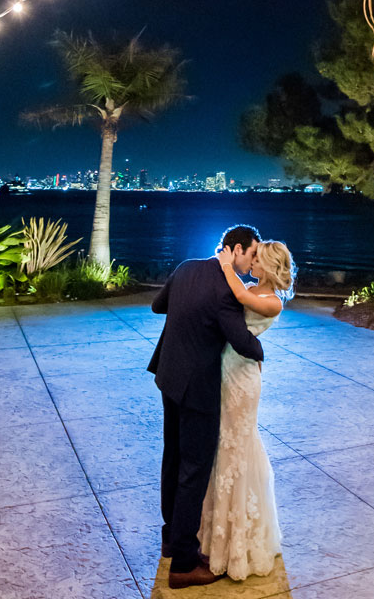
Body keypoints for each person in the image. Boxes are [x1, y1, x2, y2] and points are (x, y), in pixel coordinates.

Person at [147, 224, 265, 590]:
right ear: (235, 249)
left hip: (168, 375)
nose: (253, 260)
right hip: (197, 387)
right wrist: (262, 353)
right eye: (252, 253)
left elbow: (157, 306)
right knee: (193, 471)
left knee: (174, 457)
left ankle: (170, 537)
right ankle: (183, 562)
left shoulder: (185, 268)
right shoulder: (225, 291)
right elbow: (241, 340)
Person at [199, 240, 296, 581]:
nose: (251, 262)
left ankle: (239, 541)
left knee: (237, 445)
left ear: (266, 266)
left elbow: (241, 300)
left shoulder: (272, 302)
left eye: (257, 259)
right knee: (222, 443)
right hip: (228, 368)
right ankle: (217, 530)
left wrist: (225, 263)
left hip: (242, 377)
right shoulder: (253, 286)